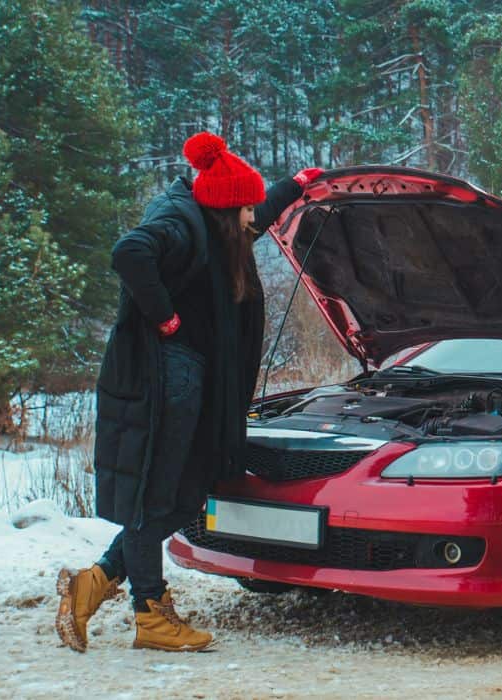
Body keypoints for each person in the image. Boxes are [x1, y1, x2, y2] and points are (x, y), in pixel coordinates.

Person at [54, 132, 323, 653]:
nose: (253, 219)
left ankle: (95, 581)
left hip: (193, 379)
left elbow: (257, 215)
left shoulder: (215, 225)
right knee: (154, 495)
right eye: (246, 208)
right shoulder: (179, 224)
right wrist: (166, 317)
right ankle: (150, 616)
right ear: (225, 210)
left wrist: (297, 186)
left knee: (186, 495)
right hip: (166, 381)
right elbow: (130, 252)